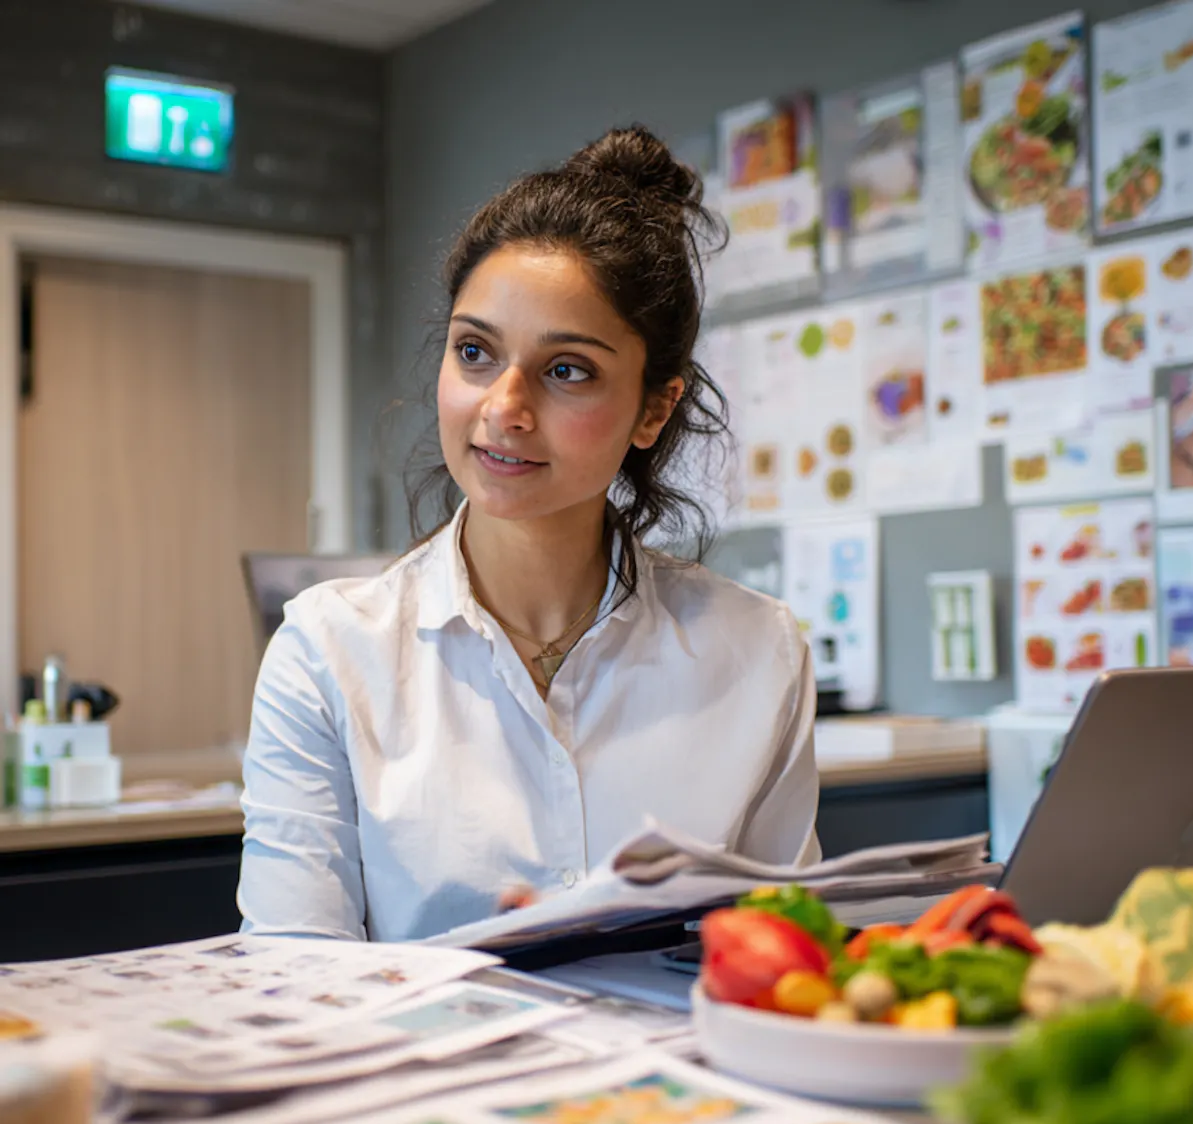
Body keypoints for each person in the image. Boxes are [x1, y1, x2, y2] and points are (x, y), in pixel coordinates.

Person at [236, 127, 817, 942]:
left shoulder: (758, 651)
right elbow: (292, 978)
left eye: (566, 369)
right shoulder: (327, 655)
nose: (502, 407)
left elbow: (784, 958)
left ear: (654, 407)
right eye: (475, 351)